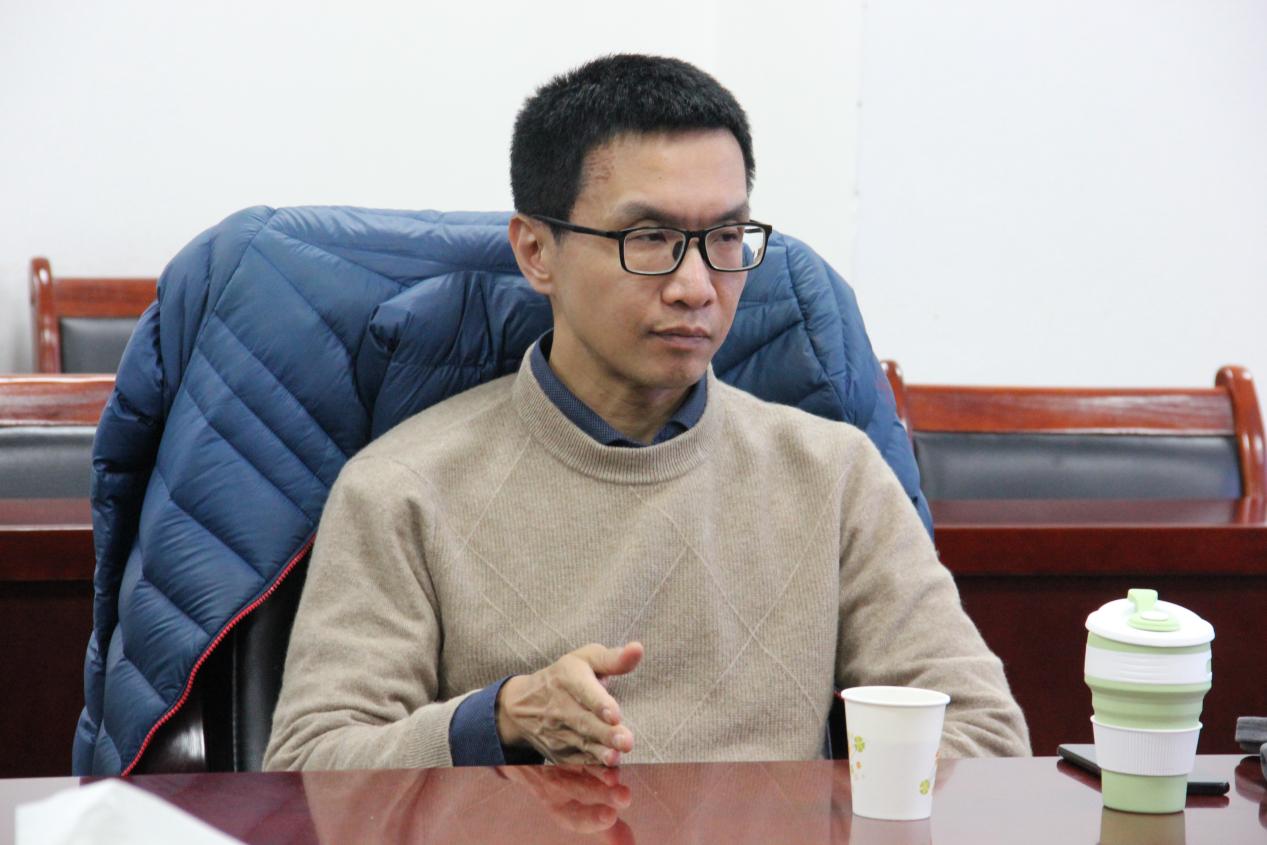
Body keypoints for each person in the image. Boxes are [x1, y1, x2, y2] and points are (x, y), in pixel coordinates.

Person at [263, 54, 1029, 771]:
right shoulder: (401, 487)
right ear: (536, 252)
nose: (695, 286)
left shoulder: (833, 473)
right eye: (651, 237)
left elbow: (985, 733)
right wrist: (498, 718)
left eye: (724, 237)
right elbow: (308, 765)